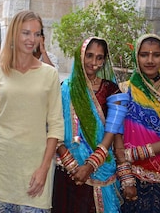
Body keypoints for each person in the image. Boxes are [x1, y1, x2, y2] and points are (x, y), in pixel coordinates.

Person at [0, 10, 64, 212]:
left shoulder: (49, 74)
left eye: (37, 33)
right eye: (26, 33)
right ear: (14, 34)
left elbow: (56, 126)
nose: (31, 39)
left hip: (35, 169)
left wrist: (44, 169)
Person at [114, 34, 160, 213]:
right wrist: (126, 176)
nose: (150, 60)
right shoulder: (124, 89)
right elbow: (117, 134)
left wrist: (137, 153)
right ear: (136, 57)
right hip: (131, 175)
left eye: (156, 54)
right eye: (144, 54)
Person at [52, 37, 123, 212]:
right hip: (68, 170)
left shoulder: (112, 90)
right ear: (80, 56)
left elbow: (113, 131)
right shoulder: (65, 88)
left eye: (99, 57)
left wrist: (90, 165)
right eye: (89, 56)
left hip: (100, 168)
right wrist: (71, 164)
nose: (94, 62)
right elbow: (55, 127)